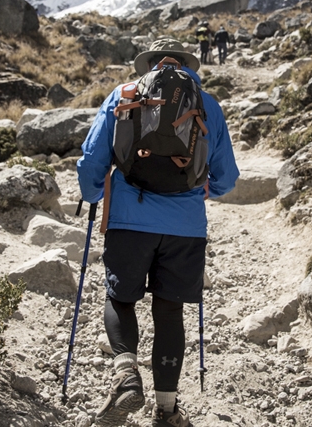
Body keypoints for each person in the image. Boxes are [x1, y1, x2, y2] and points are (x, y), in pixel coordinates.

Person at [78, 38, 239, 427]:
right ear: (188, 65)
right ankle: (166, 411)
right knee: (169, 311)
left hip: (130, 220)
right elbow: (227, 177)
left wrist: (93, 195)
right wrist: (203, 190)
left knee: (120, 299)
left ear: (148, 65)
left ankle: (126, 376)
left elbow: (92, 160)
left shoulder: (124, 94)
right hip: (185, 227)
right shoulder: (207, 103)